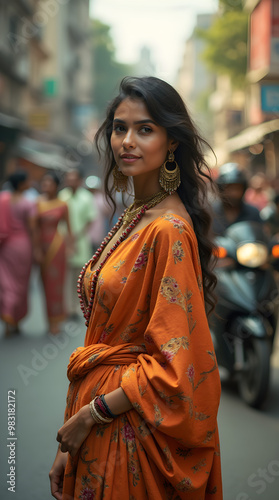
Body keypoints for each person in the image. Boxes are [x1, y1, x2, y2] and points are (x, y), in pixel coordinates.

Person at [49, 76, 223, 500]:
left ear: (172, 142)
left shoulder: (167, 230)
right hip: (95, 425)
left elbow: (174, 367)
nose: (127, 140)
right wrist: (72, 435)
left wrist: (91, 414)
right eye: (119, 128)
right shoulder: (135, 214)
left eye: (145, 129)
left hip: (127, 433)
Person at [0, 170, 37, 337]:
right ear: (21, 184)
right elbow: (32, 228)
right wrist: (37, 249)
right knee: (21, 285)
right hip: (23, 246)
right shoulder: (27, 203)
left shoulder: (2, 200)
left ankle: (7, 317)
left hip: (6, 246)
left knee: (6, 283)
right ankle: (16, 320)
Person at [36, 172, 72, 335]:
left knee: (56, 285)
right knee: (45, 285)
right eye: (44, 182)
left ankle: (56, 320)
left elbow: (69, 229)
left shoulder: (62, 204)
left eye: (49, 183)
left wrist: (71, 248)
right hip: (41, 246)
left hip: (57, 246)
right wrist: (35, 249)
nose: (45, 186)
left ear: (56, 186)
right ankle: (48, 319)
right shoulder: (37, 203)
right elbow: (34, 229)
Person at [59, 169, 98, 319]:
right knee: (66, 275)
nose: (70, 181)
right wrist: (67, 238)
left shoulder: (86, 197)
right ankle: (67, 307)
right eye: (68, 178)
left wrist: (78, 235)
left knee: (80, 276)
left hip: (81, 241)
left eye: (73, 178)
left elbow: (90, 219)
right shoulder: (62, 196)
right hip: (64, 240)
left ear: (79, 181)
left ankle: (76, 307)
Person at [212, 162, 262, 236]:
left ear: (244, 189)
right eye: (229, 188)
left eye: (237, 188)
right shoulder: (210, 213)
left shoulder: (253, 213)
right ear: (220, 189)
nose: (233, 193)